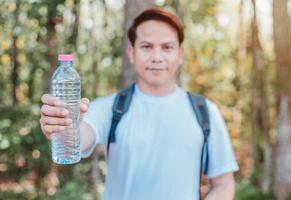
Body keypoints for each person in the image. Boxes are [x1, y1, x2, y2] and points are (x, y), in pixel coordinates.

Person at [40, 8, 239, 200]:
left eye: (167, 47)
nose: (157, 57)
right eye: (146, 46)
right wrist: (62, 124)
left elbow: (224, 183)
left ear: (180, 54)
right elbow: (82, 135)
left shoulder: (205, 111)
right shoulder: (109, 107)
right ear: (131, 53)